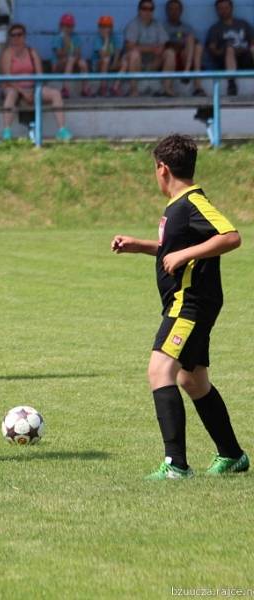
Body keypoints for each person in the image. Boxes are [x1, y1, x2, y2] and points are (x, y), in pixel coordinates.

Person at [111, 134, 249, 480]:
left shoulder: (191, 202)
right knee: (193, 379)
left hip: (188, 304)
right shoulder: (177, 208)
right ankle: (232, 455)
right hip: (188, 302)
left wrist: (186, 254)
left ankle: (176, 465)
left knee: (160, 371)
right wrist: (140, 246)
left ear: (162, 168)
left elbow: (230, 236)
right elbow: (173, 248)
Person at [0, 23, 72, 142]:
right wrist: (23, 92)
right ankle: (7, 131)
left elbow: (39, 75)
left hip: (32, 87)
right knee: (11, 94)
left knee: (55, 94)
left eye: (19, 34)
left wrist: (33, 90)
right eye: (13, 35)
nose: (16, 38)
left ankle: (62, 130)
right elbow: (7, 78)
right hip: (14, 87)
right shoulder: (8, 53)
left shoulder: (32, 52)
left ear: (24, 36)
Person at [206, 0, 254, 96]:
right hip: (225, 60)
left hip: (244, 57)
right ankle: (231, 83)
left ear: (231, 8)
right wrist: (224, 51)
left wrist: (245, 49)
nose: (224, 11)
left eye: (226, 8)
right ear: (217, 10)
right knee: (229, 48)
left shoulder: (243, 24)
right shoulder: (215, 28)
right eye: (220, 8)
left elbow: (252, 41)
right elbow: (212, 49)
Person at [123, 0, 171, 96]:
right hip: (138, 64)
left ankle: (167, 88)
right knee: (134, 54)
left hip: (154, 63)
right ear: (139, 10)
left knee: (170, 53)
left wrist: (161, 48)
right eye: (144, 9)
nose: (148, 12)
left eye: (151, 9)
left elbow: (163, 43)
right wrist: (152, 49)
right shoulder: (133, 24)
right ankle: (134, 90)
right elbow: (130, 46)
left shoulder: (157, 25)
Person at [163, 0, 207, 97]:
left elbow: (196, 42)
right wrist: (181, 45)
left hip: (186, 57)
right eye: (171, 9)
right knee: (188, 40)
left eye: (176, 9)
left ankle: (198, 87)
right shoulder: (163, 27)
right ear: (167, 11)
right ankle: (185, 73)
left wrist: (184, 44)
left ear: (181, 11)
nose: (174, 12)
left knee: (197, 46)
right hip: (172, 58)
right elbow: (164, 45)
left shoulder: (187, 27)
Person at [51, 13, 91, 98]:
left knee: (82, 62)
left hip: (71, 62)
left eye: (70, 26)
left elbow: (78, 53)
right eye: (66, 26)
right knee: (71, 59)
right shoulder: (57, 37)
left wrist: (73, 55)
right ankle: (65, 88)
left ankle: (85, 88)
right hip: (58, 65)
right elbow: (59, 54)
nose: (68, 28)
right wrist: (66, 43)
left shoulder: (75, 37)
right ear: (61, 26)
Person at [92, 15, 129, 97]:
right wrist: (106, 39)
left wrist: (115, 63)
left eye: (108, 27)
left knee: (125, 63)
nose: (105, 29)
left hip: (110, 64)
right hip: (98, 65)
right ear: (99, 28)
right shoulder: (97, 39)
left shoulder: (114, 37)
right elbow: (102, 55)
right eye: (103, 26)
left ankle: (115, 87)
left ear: (111, 28)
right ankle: (103, 87)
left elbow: (117, 51)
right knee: (106, 60)